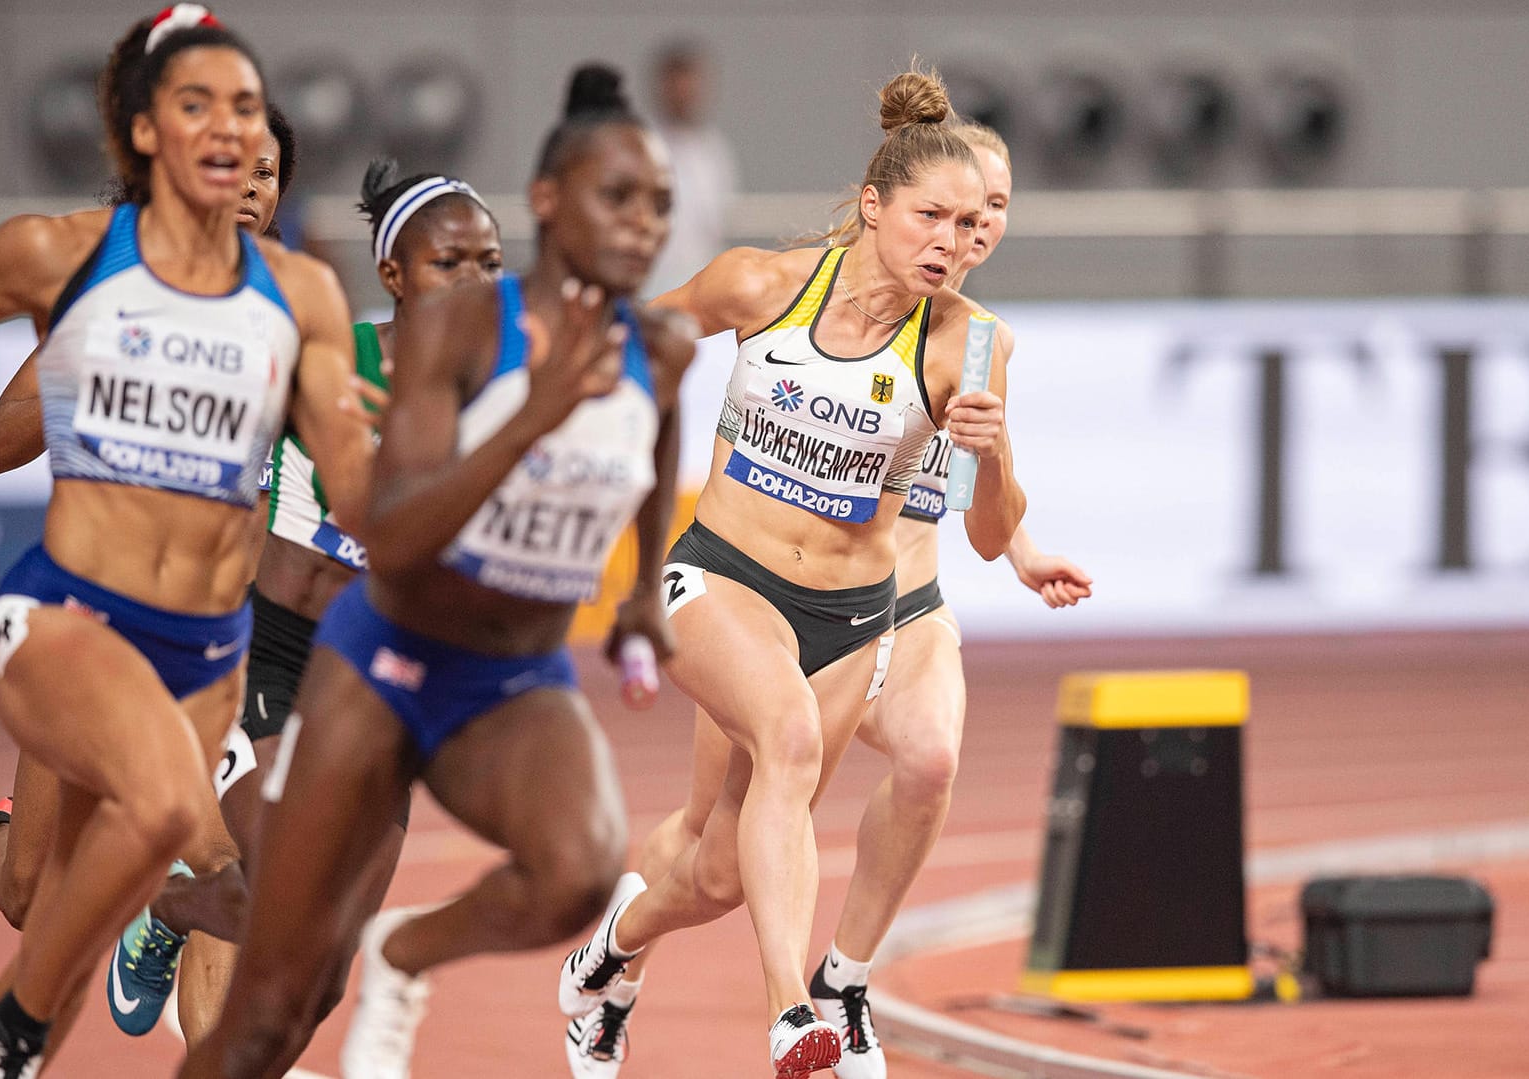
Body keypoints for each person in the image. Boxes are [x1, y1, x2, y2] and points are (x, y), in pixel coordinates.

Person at [176, 62, 692, 1079]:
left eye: (660, 205)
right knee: (278, 993)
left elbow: (655, 441)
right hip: (337, 655)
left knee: (579, 870)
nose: (641, 224)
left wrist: (639, 595)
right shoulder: (413, 347)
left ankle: (397, 947)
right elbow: (400, 537)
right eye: (617, 197)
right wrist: (533, 415)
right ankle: (158, 895)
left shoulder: (657, 346)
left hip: (500, 673)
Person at [565, 120, 1091, 1079]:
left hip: (862, 614)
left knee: (718, 868)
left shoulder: (972, 349)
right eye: (936, 216)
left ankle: (608, 955)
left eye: (978, 219)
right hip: (724, 574)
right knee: (790, 741)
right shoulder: (760, 285)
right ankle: (796, 1014)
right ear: (873, 205)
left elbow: (980, 526)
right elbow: (634, 341)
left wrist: (993, 453)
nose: (957, 240)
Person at [0, 7, 372, 1077]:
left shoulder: (301, 299)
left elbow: (358, 484)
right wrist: (103, 374)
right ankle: (13, 1017)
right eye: (203, 110)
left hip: (208, 650)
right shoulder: (69, 261)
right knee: (180, 834)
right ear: (145, 134)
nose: (242, 156)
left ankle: (9, 910)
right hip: (72, 613)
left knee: (120, 875)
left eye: (259, 135)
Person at [165, 157, 506, 1045]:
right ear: (394, 275)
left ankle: (163, 904)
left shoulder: (503, 402)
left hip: (383, 688)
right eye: (450, 263)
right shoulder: (328, 360)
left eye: (491, 263)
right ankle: (147, 898)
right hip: (273, 655)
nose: (476, 283)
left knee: (315, 984)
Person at [643, 39, 738, 298]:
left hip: (702, 283)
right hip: (651, 283)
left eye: (690, 83)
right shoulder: (642, 146)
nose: (684, 93)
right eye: (676, 84)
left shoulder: (713, 149)